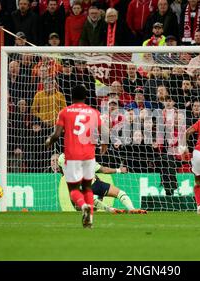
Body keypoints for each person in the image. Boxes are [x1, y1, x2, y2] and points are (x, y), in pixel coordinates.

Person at [45, 85, 107, 228]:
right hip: (89, 156)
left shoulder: (65, 112)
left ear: (71, 97)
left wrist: (49, 141)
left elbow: (56, 134)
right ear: (85, 97)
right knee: (87, 188)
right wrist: (104, 144)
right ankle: (90, 216)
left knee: (73, 189)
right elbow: (103, 131)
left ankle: (83, 205)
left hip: (72, 156)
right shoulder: (93, 112)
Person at [57, 153, 146, 214]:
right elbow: (104, 170)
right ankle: (131, 209)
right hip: (93, 183)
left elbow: (61, 169)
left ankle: (109, 209)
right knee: (120, 193)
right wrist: (119, 170)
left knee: (81, 202)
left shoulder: (62, 157)